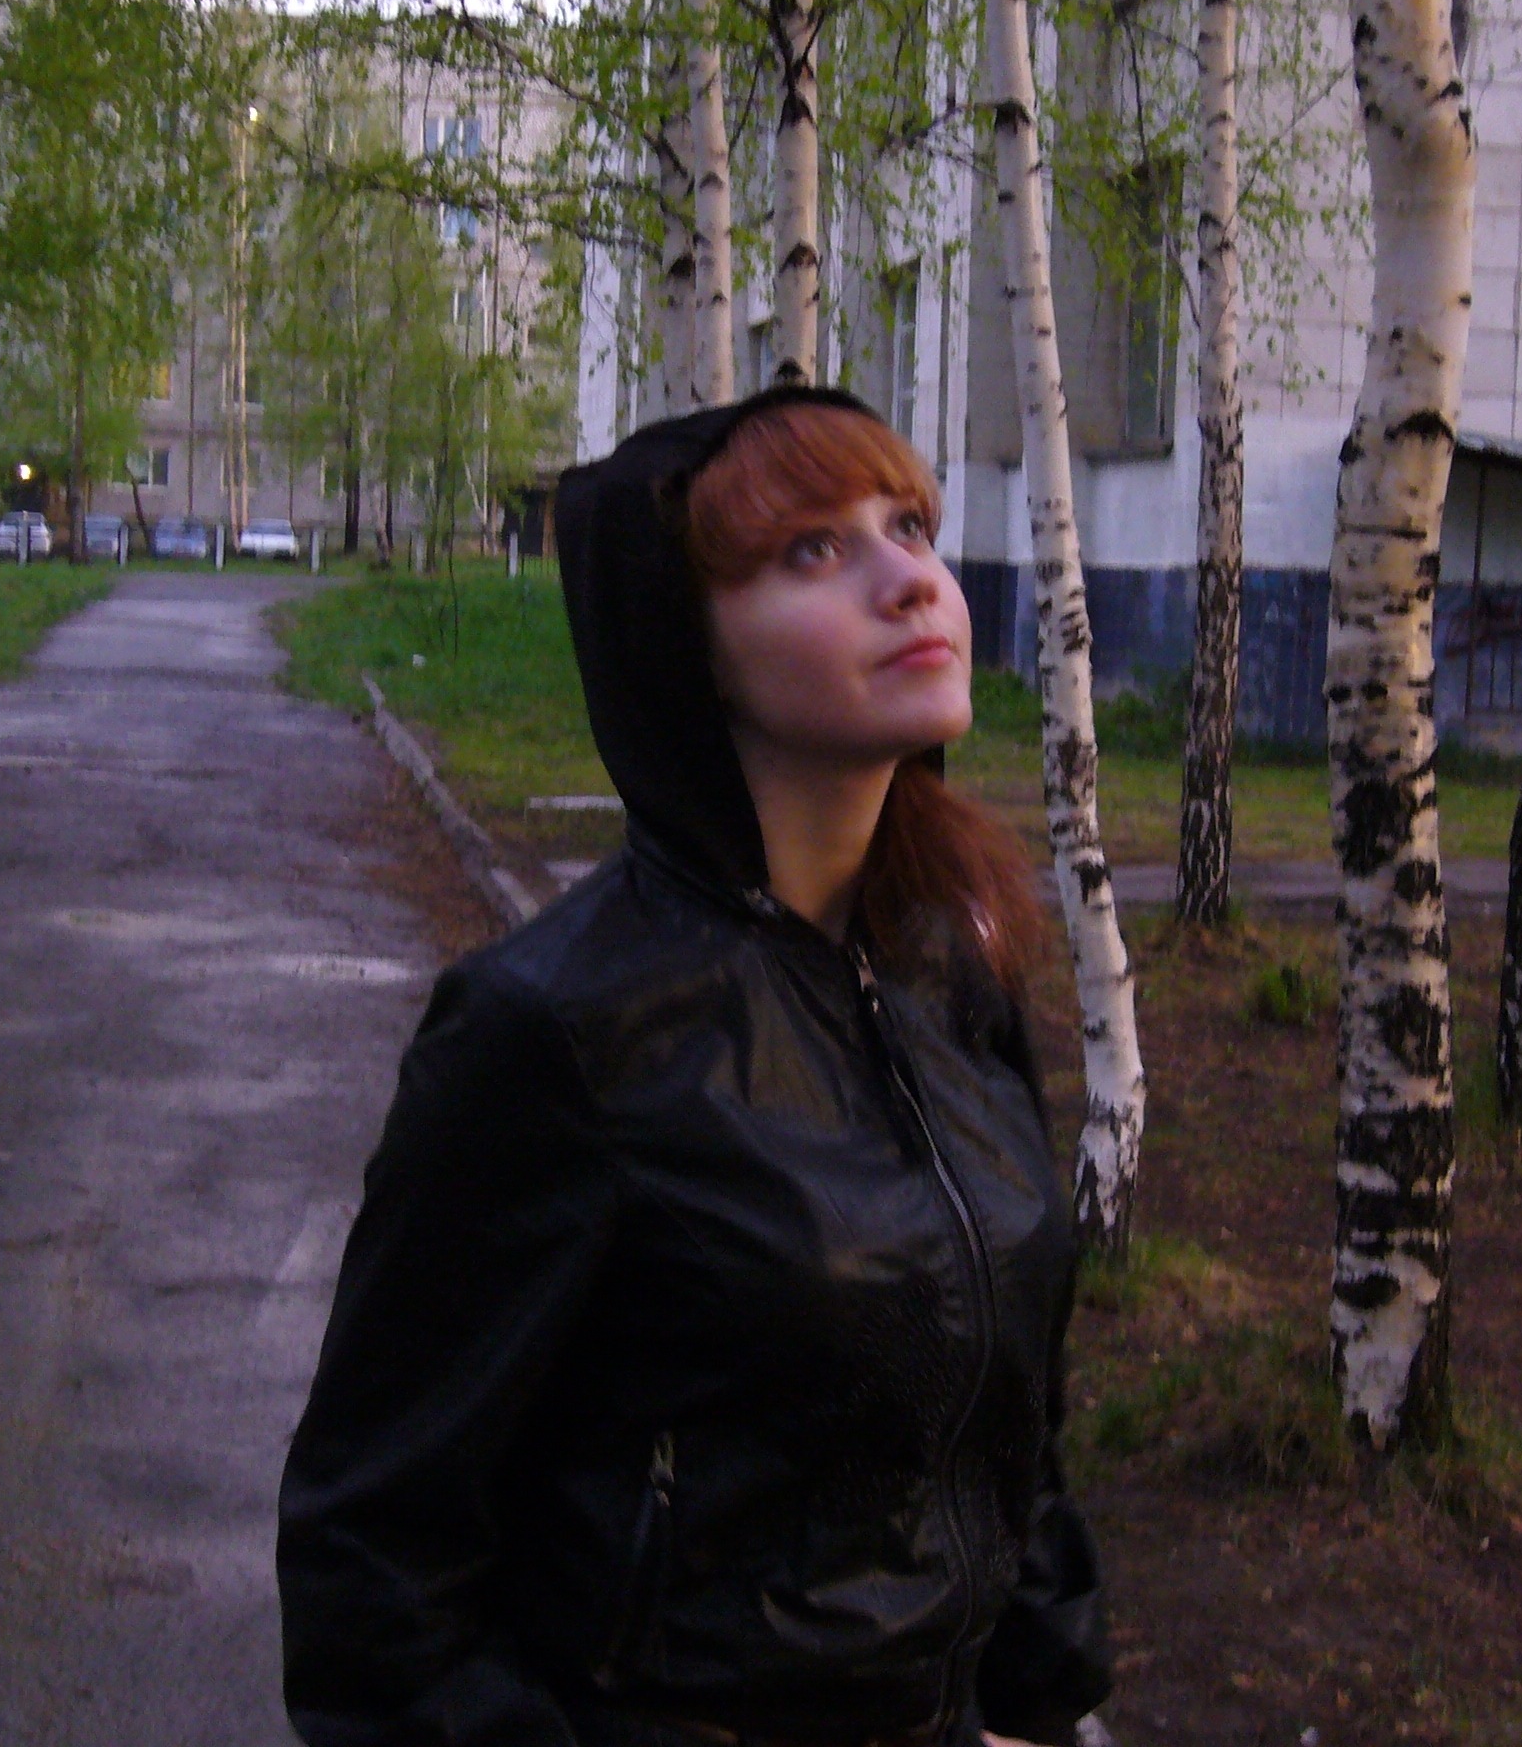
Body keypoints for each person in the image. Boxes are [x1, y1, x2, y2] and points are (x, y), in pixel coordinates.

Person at [277, 386, 1112, 1747]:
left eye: (909, 526)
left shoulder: (952, 972)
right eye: (813, 550)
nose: (912, 580)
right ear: (685, 643)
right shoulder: (553, 1034)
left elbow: (1009, 1419)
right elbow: (371, 1573)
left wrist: (1036, 1694)